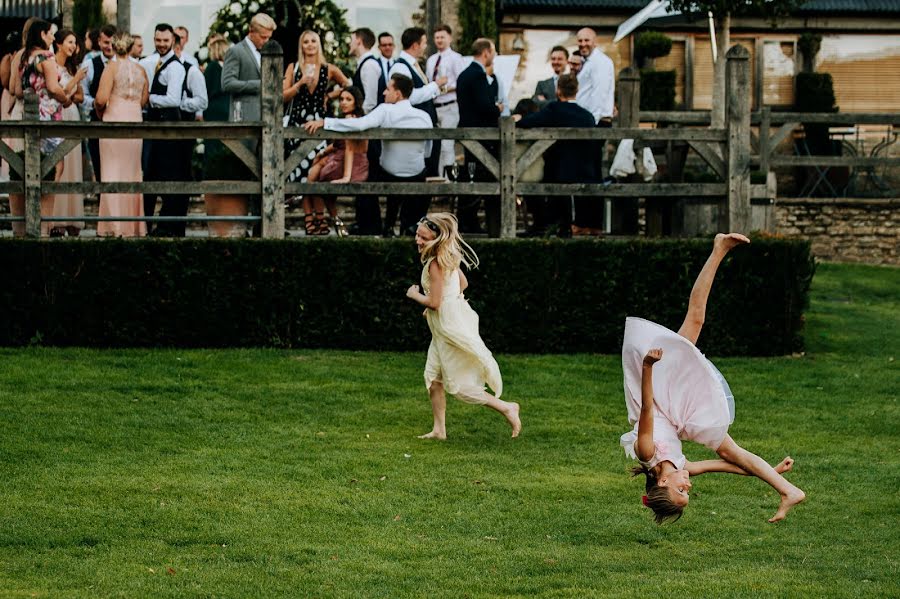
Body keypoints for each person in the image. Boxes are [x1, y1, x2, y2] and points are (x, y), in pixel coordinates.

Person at [621, 233, 806, 524]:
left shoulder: (646, 452)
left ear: (662, 483)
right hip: (673, 404)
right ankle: (787, 490)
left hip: (659, 388)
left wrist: (647, 366)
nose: (689, 485)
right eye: (689, 492)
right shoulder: (683, 465)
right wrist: (772, 471)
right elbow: (732, 464)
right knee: (696, 320)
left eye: (682, 489)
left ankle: (720, 248)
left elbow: (646, 408)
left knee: (694, 321)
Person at [405, 212, 521, 440]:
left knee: (459, 387)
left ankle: (507, 407)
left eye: (424, 238)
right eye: (417, 235)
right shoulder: (446, 257)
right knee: (434, 378)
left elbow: (436, 302)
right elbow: (462, 283)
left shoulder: (436, 264)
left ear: (437, 239)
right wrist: (446, 301)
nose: (418, 241)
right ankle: (439, 430)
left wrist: (416, 296)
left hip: (448, 328)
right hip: (443, 326)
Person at [304, 73, 432, 237]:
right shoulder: (424, 116)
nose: (384, 93)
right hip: (416, 175)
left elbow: (360, 124)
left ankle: (374, 227)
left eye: (387, 89)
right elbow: (428, 151)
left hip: (389, 174)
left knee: (367, 181)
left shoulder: (386, 109)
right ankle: (409, 226)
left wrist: (326, 122)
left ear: (398, 94)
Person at [515, 74, 598, 238]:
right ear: (577, 91)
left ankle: (549, 225)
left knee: (541, 177)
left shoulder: (554, 109)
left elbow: (529, 122)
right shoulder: (588, 116)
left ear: (558, 91)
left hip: (558, 170)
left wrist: (517, 121)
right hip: (585, 170)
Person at [385, 28, 446, 234]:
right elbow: (408, 96)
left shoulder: (412, 65)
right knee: (415, 180)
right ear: (415, 45)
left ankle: (414, 224)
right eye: (424, 42)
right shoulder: (401, 67)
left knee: (424, 180)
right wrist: (435, 86)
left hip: (423, 130)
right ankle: (407, 225)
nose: (426, 46)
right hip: (412, 132)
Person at [94, 32, 149, 237]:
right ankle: (133, 225)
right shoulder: (141, 69)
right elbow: (144, 99)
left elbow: (100, 99)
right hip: (134, 118)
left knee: (112, 170)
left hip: (114, 118)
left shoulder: (111, 68)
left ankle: (114, 226)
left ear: (115, 47)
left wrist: (101, 112)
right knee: (132, 171)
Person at [17, 19, 68, 236]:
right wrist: (66, 98)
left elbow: (18, 90)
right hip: (47, 114)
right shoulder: (46, 57)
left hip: (30, 113)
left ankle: (34, 221)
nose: (53, 38)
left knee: (35, 165)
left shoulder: (25, 57)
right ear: (42, 35)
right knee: (54, 166)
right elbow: (54, 87)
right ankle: (44, 224)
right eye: (50, 34)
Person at [283, 30, 349, 185]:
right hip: (298, 123)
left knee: (317, 162)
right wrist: (299, 83)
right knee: (295, 162)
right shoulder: (294, 67)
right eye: (306, 42)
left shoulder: (329, 68)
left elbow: (348, 85)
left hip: (320, 123)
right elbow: (283, 96)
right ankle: (295, 199)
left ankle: (313, 204)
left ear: (319, 44)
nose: (310, 44)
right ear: (301, 46)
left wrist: (330, 96)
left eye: (313, 41)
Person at [140, 23, 187, 236]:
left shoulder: (175, 67)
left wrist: (149, 98)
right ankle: (147, 225)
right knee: (150, 174)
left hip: (168, 127)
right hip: (155, 126)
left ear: (173, 42)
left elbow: (173, 99)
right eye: (158, 40)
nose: (161, 44)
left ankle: (168, 227)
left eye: (165, 41)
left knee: (168, 175)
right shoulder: (154, 63)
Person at [302, 86, 369, 235]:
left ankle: (316, 219)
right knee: (314, 175)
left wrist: (346, 177)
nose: (343, 103)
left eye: (348, 99)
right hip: (349, 160)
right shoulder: (354, 118)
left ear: (356, 102)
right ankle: (326, 220)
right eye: (341, 99)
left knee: (314, 181)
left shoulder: (351, 120)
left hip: (351, 164)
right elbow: (339, 144)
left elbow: (350, 149)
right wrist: (322, 152)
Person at [455, 38, 502, 236]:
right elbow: (485, 106)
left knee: (471, 174)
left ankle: (468, 220)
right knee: (479, 176)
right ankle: (470, 221)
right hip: (481, 136)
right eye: (493, 51)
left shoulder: (465, 74)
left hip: (470, 133)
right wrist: (497, 108)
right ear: (485, 53)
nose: (495, 55)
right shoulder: (477, 75)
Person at [574, 27, 614, 235]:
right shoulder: (588, 63)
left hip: (594, 124)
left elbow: (599, 95)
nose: (583, 44)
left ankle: (591, 223)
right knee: (586, 172)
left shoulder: (600, 63)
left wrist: (592, 125)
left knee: (590, 174)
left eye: (586, 40)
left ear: (595, 41)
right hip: (589, 122)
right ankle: (585, 221)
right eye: (580, 41)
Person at [51, 29, 88, 237]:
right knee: (59, 168)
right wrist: (74, 82)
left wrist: (74, 94)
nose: (73, 46)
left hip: (72, 115)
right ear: (58, 44)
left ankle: (74, 219)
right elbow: (57, 92)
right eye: (70, 42)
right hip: (58, 117)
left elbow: (80, 96)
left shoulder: (72, 68)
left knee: (73, 168)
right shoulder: (51, 66)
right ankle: (56, 219)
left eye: (75, 42)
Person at [349, 27, 383, 234]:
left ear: (360, 41)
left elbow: (369, 101)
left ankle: (370, 224)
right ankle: (365, 222)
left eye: (352, 39)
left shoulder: (369, 65)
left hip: (368, 129)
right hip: (366, 127)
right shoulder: (365, 64)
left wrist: (361, 123)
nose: (350, 43)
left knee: (366, 175)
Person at [222, 13, 276, 127]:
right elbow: (227, 84)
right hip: (243, 117)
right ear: (251, 31)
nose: (266, 41)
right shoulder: (236, 51)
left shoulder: (266, 52)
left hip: (267, 118)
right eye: (263, 37)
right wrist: (259, 84)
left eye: (269, 37)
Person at [425, 24, 465, 175]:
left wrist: (443, 89)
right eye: (436, 37)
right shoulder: (431, 60)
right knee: (436, 146)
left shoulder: (456, 58)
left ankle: (448, 181)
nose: (439, 40)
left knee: (447, 145)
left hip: (449, 106)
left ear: (449, 38)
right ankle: (438, 178)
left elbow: (461, 83)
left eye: (442, 37)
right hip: (434, 107)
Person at [81, 23, 117, 182]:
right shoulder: (90, 64)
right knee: (99, 163)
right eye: (105, 43)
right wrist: (96, 103)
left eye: (112, 42)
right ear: (99, 42)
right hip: (97, 122)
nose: (109, 47)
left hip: (120, 122)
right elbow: (83, 95)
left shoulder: (125, 63)